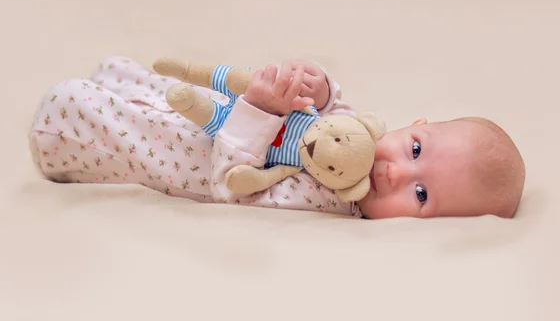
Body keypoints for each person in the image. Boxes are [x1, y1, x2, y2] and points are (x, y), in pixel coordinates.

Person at [29, 56, 525, 219]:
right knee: (137, 77)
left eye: (420, 194)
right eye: (415, 151)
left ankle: (63, 131)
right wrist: (319, 88)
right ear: (415, 127)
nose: (395, 170)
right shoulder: (361, 139)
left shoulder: (327, 202)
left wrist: (261, 111)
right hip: (206, 115)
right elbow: (331, 114)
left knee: (76, 105)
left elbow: (232, 185)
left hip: (186, 156)